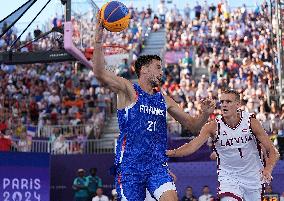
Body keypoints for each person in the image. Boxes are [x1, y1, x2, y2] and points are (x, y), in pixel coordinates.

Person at [92, 22, 215, 201]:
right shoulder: (129, 89)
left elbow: (193, 126)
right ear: (144, 69)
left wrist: (204, 114)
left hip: (156, 165)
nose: (161, 71)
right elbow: (99, 72)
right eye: (158, 67)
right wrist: (98, 35)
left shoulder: (164, 99)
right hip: (130, 167)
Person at [167, 89, 280, 201]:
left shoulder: (250, 122)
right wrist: (172, 152)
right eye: (222, 102)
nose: (224, 105)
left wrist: (268, 169)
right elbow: (192, 146)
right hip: (229, 177)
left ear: (237, 105)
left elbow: (273, 151)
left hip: (253, 176)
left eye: (228, 102)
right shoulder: (213, 126)